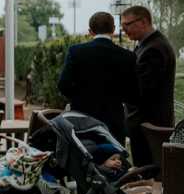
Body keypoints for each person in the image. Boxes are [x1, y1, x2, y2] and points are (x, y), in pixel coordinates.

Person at [58, 12, 139, 144]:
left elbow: (63, 85)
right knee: (115, 160)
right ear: (113, 29)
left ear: (90, 31)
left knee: (85, 157)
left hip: (82, 119)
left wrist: (80, 99)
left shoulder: (76, 52)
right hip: (113, 121)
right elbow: (133, 94)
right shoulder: (128, 56)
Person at [121, 6, 176, 166]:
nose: (124, 30)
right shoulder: (147, 45)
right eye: (122, 27)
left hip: (150, 127)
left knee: (149, 175)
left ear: (143, 21)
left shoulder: (154, 49)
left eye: (127, 25)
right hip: (146, 125)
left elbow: (142, 92)